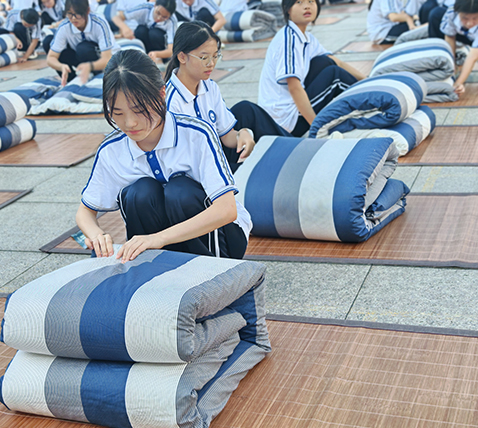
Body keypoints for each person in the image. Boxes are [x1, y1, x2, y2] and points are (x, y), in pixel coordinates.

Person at [76, 49, 252, 262]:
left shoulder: (196, 134)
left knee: (180, 190)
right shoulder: (112, 149)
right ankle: (150, 266)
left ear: (161, 94)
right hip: (160, 242)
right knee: (139, 192)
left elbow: (227, 210)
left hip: (222, 242)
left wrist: (158, 238)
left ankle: (208, 270)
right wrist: (96, 235)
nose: (130, 123)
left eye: (139, 110)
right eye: (118, 113)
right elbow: (85, 212)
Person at [165, 21, 291, 173]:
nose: (211, 64)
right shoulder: (171, 102)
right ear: (182, 57)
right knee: (261, 170)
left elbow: (225, 135)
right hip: (197, 170)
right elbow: (185, 161)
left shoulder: (209, 86)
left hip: (216, 155)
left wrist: (242, 134)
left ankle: (293, 152)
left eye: (215, 56)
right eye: (204, 58)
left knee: (246, 109)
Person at [258, 0, 365, 137]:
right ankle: (371, 104)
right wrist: (317, 128)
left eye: (311, 1)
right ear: (288, 9)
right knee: (335, 77)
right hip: (286, 121)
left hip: (292, 110)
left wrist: (366, 80)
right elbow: (294, 88)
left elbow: (336, 61)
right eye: (299, 2)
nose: (307, 6)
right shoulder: (288, 40)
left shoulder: (306, 37)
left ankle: (369, 92)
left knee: (325, 62)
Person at [47, 0, 120, 85]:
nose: (73, 18)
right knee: (48, 41)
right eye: (70, 14)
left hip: (101, 60)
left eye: (77, 14)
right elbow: (51, 57)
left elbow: (107, 58)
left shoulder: (99, 23)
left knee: (83, 48)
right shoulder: (65, 26)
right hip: (80, 58)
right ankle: (71, 80)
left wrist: (90, 66)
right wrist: (61, 66)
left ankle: (97, 75)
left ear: (87, 11)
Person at [429, 0, 478, 95]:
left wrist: (458, 83)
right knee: (436, 13)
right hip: (463, 33)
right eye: (465, 18)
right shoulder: (451, 12)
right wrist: (452, 67)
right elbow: (450, 37)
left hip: (473, 36)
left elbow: (473, 56)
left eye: (475, 18)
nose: (469, 23)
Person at [112, 0, 177, 62]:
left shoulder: (172, 21)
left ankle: (160, 60)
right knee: (141, 30)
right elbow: (116, 18)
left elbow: (171, 51)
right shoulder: (144, 8)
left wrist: (156, 54)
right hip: (144, 40)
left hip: (159, 47)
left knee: (154, 33)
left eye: (164, 17)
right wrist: (125, 28)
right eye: (158, 13)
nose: (159, 18)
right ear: (155, 5)